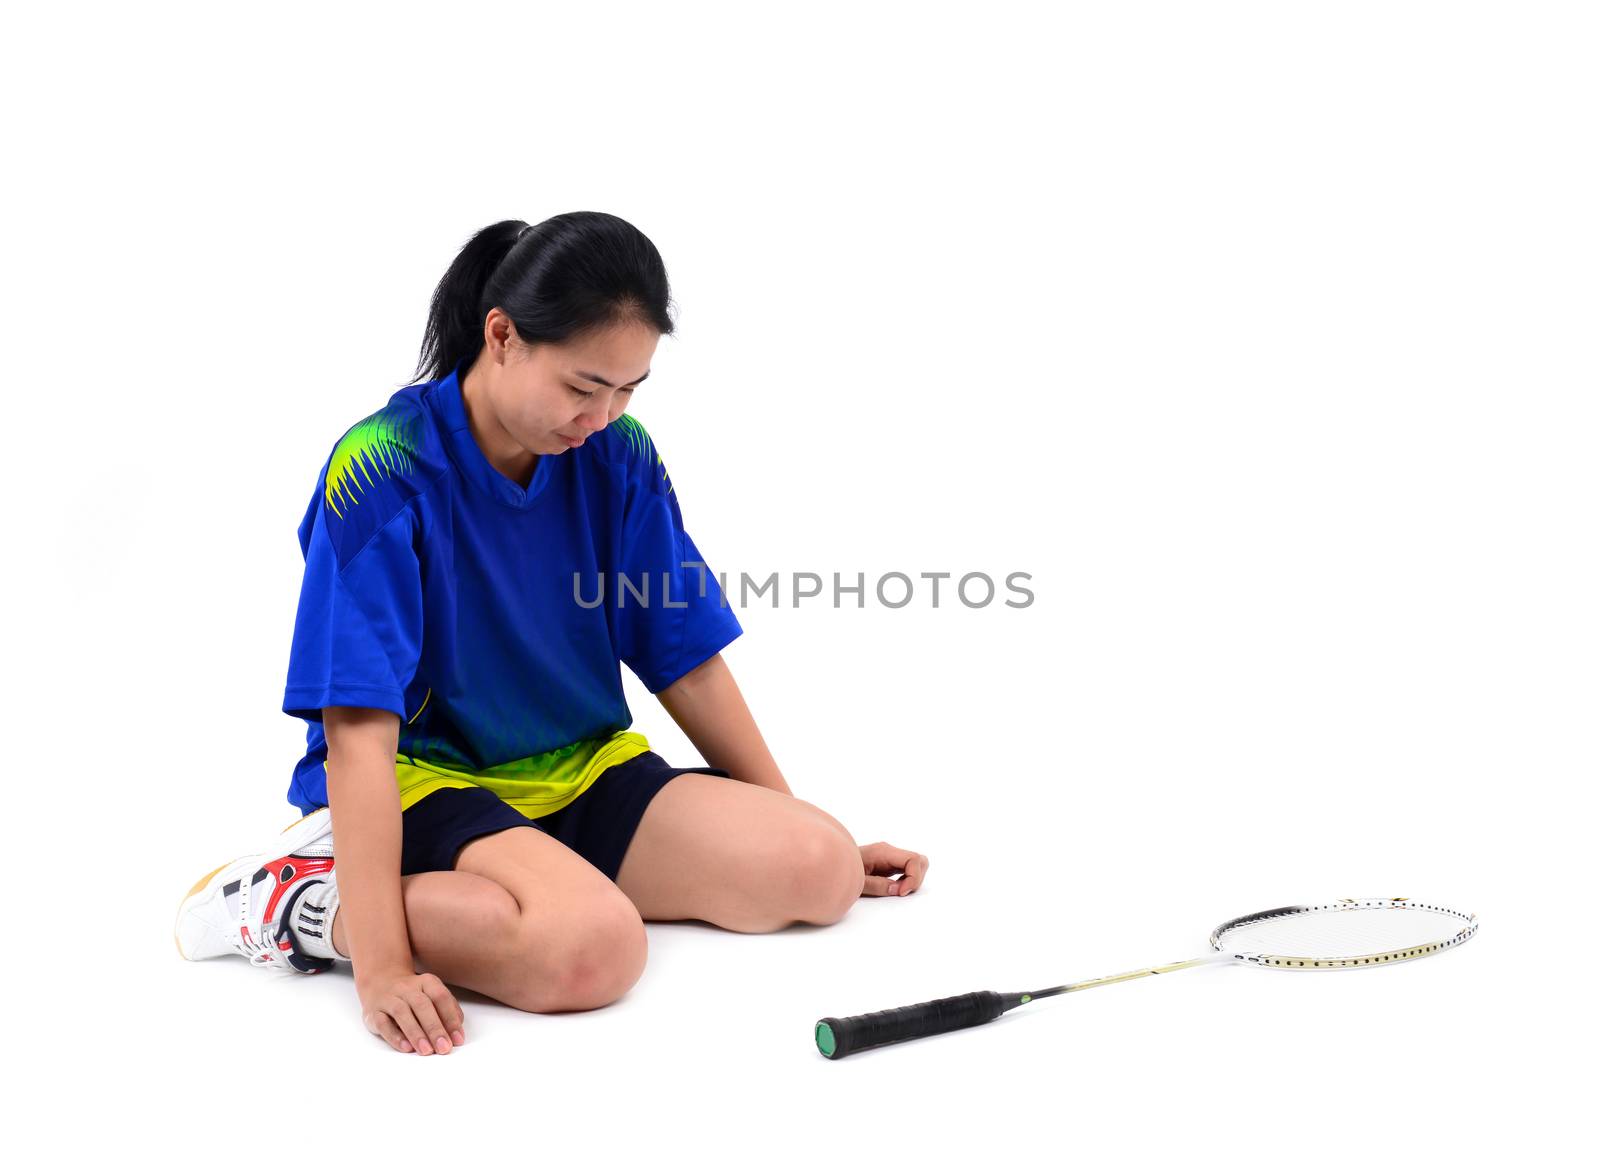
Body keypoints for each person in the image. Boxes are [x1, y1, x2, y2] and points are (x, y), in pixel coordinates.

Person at [174, 212, 929, 1056]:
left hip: (579, 768)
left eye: (627, 389)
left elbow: (686, 659)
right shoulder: (382, 467)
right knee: (594, 954)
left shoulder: (618, 456)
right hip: (424, 779)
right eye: (581, 387)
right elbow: (356, 726)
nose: (602, 415)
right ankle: (304, 902)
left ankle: (539, 875)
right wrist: (382, 965)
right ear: (502, 336)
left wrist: (789, 821)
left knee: (818, 871)